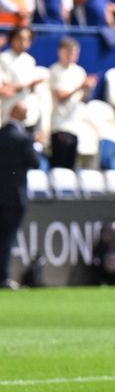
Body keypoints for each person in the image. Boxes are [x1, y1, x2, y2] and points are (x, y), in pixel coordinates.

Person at [0, 101, 40, 290]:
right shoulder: (24, 139)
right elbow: (35, 162)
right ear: (21, 115)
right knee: (6, 238)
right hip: (14, 196)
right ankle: (3, 277)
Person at [47, 36, 96, 169]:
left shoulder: (79, 71)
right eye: (68, 52)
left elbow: (84, 99)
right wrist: (81, 86)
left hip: (75, 126)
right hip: (60, 125)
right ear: (60, 52)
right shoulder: (55, 70)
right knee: (59, 167)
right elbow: (61, 97)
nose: (72, 55)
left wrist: (88, 88)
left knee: (70, 167)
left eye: (74, 52)